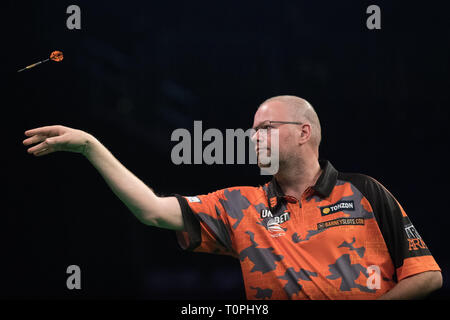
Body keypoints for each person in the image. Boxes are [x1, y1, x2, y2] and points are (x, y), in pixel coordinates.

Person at [22, 95, 442, 300]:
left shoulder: (366, 192)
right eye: (252, 129)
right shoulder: (240, 205)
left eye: (265, 128)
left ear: (303, 132)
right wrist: (91, 146)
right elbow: (152, 210)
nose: (252, 137)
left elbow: (427, 275)